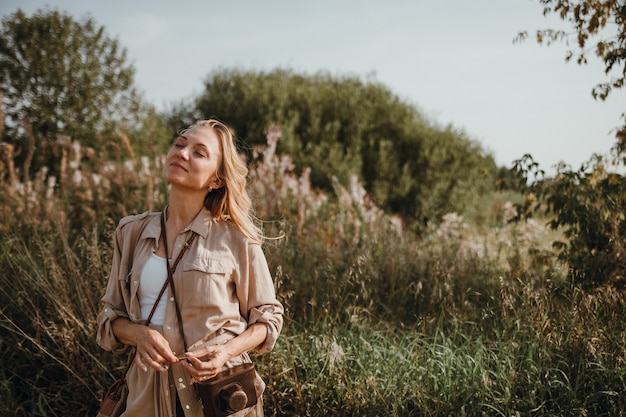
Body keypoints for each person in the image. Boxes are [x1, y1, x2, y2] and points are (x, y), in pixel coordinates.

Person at [96, 119, 284, 417]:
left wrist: (224, 352)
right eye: (180, 144)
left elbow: (268, 318)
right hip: (146, 398)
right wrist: (139, 335)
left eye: (199, 152)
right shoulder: (130, 232)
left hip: (219, 396)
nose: (182, 153)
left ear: (217, 180)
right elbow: (109, 319)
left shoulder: (238, 239)